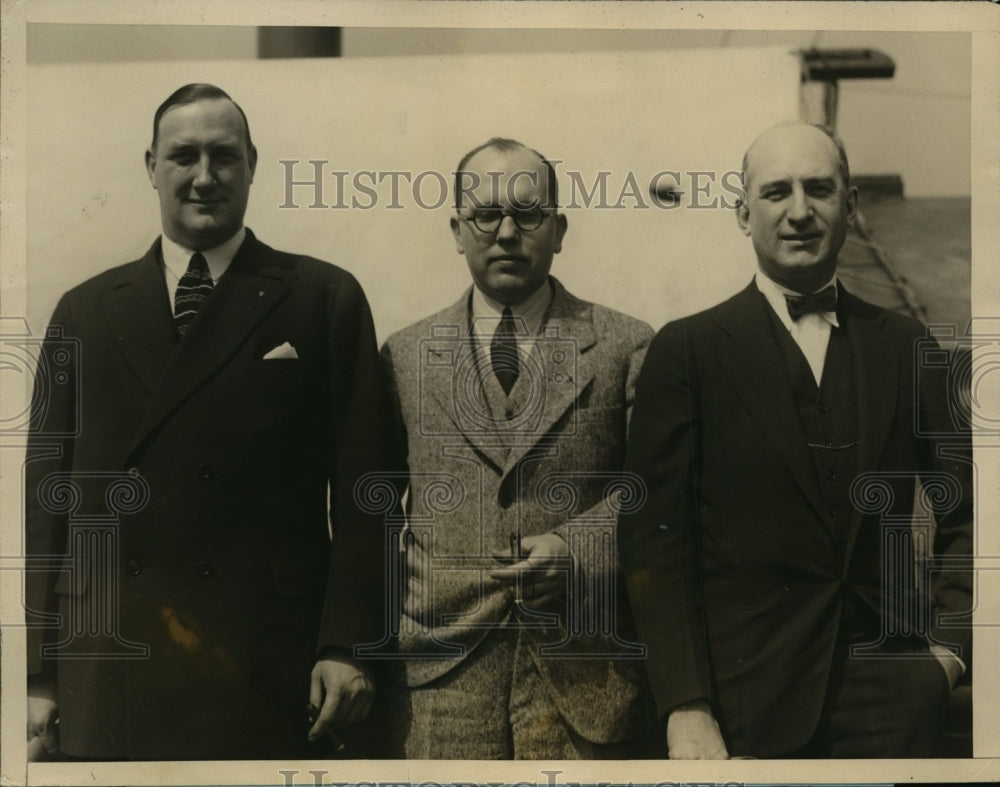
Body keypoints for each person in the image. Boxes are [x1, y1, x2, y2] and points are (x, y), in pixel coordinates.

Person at [24, 83, 397, 760]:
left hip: (264, 654)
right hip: (111, 659)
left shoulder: (322, 297)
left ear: (252, 163)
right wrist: (37, 674)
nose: (203, 177)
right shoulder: (83, 311)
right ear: (150, 166)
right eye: (183, 156)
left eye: (223, 156)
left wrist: (346, 644)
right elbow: (46, 503)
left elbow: (367, 489)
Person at [619, 121, 973, 759]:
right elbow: (654, 545)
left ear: (851, 205)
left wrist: (948, 653)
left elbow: (974, 513)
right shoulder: (687, 352)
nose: (800, 212)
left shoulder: (908, 347)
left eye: (819, 189)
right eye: (777, 192)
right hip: (738, 708)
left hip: (895, 703)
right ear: (742, 211)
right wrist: (686, 705)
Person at [379, 138, 659, 758]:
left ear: (558, 229)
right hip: (440, 688)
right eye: (485, 214)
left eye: (529, 215)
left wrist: (579, 548)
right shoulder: (405, 356)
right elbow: (369, 515)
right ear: (457, 229)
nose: (507, 232)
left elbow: (659, 495)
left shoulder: (624, 345)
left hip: (588, 686)